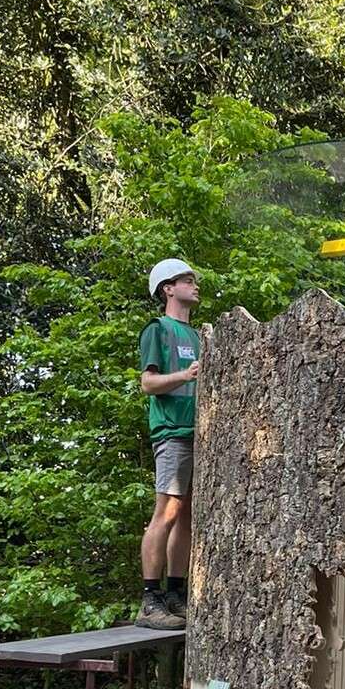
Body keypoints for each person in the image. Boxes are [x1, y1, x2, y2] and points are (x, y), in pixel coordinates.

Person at [135, 259, 201, 630]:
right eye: (187, 280)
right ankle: (150, 598)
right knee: (167, 511)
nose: (195, 286)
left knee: (185, 515)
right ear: (167, 289)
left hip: (198, 432)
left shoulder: (198, 336)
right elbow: (148, 384)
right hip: (172, 431)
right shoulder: (158, 329)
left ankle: (175, 593)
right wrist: (185, 375)